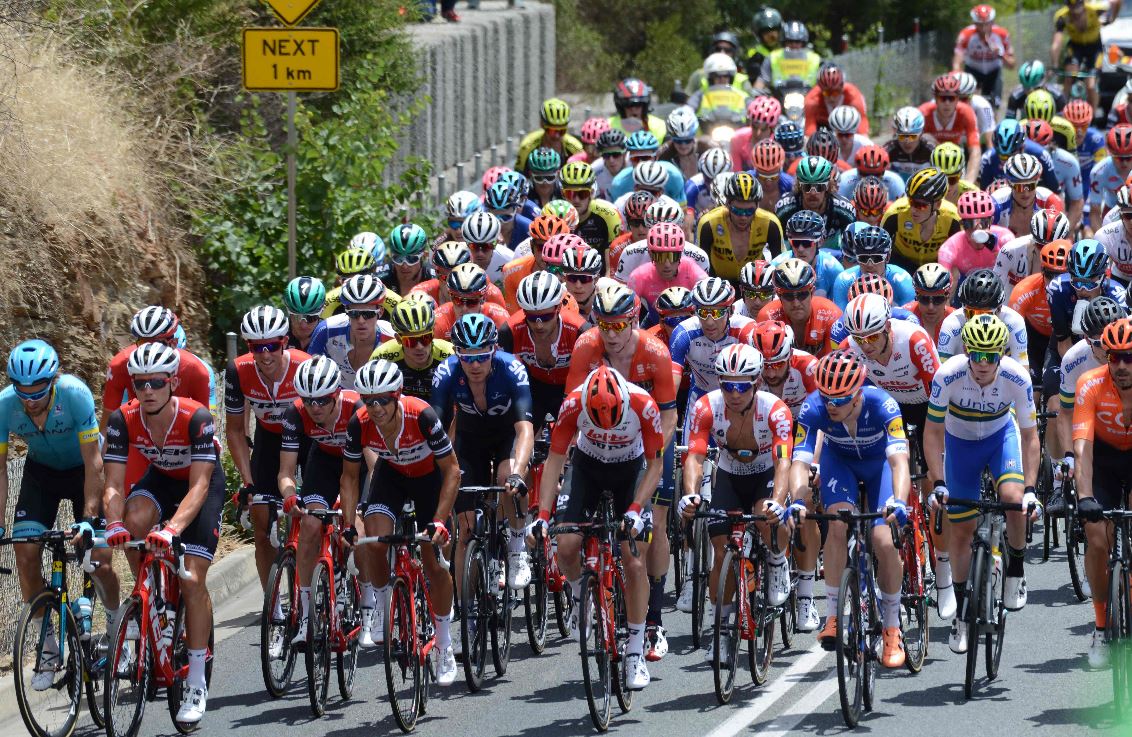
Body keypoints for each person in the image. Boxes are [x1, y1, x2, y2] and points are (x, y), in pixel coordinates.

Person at [103, 342, 225, 724]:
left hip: (198, 486)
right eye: (139, 383)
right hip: (161, 480)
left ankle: (197, 681)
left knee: (192, 579)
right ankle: (150, 599)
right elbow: (113, 486)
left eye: (156, 382)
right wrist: (113, 524)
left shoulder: (196, 417)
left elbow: (200, 486)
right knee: (134, 520)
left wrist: (172, 529)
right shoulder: (123, 419)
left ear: (172, 382)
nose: (147, 390)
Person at [1, 340, 121, 690]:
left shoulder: (74, 394)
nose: (30, 400)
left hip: (85, 471)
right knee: (24, 552)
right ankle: (48, 646)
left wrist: (88, 517)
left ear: (52, 381)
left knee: (98, 558)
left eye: (38, 391)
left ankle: (116, 628)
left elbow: (94, 462)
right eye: (22, 391)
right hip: (42, 475)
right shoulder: (5, 405)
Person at [534, 366, 663, 690]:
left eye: (613, 420)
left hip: (630, 471)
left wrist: (635, 510)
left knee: (633, 560)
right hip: (587, 469)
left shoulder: (643, 404)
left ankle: (634, 649)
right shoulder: (573, 405)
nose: (606, 426)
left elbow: (656, 464)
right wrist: (544, 515)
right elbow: (554, 461)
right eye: (598, 421)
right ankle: (581, 596)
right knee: (564, 545)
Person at [925, 315, 1041, 653]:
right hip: (959, 445)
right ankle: (962, 613)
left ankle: (1016, 569)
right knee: (960, 530)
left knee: (1013, 499)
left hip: (998, 438)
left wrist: (1032, 490)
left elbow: (1030, 437)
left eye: (991, 355)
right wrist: (939, 482)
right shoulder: (948, 375)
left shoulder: (1016, 377)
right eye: (976, 354)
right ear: (966, 350)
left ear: (1003, 353)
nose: (983, 363)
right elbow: (932, 434)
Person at [787, 350, 911, 666]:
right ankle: (832, 616)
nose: (831, 405)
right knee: (837, 524)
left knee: (884, 540)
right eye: (827, 397)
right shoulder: (813, 407)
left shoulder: (883, 404)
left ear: (857, 395)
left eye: (840, 400)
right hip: (840, 463)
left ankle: (892, 628)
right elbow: (799, 462)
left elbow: (899, 462)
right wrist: (798, 501)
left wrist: (898, 501)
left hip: (879, 465)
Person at [344, 359, 461, 684]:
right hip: (392, 477)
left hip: (428, 481)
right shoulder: (360, 423)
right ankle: (383, 607)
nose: (375, 407)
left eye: (382, 399)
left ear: (396, 395)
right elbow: (350, 478)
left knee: (432, 562)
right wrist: (349, 525)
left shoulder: (421, 415)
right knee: (375, 542)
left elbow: (452, 470)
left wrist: (438, 521)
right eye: (368, 400)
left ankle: (444, 644)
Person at [677, 344, 794, 662]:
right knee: (721, 550)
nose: (733, 392)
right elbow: (695, 456)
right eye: (726, 384)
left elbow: (784, 462)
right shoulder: (706, 407)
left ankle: (777, 559)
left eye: (741, 385)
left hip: (765, 472)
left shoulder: (775, 410)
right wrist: (690, 494)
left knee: (768, 517)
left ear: (756, 382)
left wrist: (777, 500)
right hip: (729, 474)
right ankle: (725, 624)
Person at [431, 314, 534, 592]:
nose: (474, 364)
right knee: (465, 530)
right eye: (466, 356)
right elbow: (436, 428)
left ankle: (516, 545)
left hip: (507, 435)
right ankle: (467, 613)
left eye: (482, 356)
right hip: (469, 439)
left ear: (494, 350)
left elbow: (525, 429)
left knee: (506, 475)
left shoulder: (512, 368)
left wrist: (517, 473)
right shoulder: (446, 372)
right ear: (457, 353)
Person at [276, 357, 367, 648]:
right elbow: (286, 472)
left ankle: (368, 605)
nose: (315, 408)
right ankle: (305, 613)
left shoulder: (357, 410)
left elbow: (374, 466)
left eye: (323, 401)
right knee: (311, 524)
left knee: (359, 531)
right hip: (325, 462)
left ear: (337, 394)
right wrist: (290, 495)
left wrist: (358, 505)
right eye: (309, 401)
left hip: (362, 464)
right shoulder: (295, 413)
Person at [226, 305, 312, 592]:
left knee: (315, 514)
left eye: (272, 346)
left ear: (284, 342)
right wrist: (248, 482)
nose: (265, 354)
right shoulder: (238, 371)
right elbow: (236, 430)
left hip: (308, 439)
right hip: (269, 440)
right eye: (257, 347)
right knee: (261, 524)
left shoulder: (304, 364)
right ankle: (272, 603)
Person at [1073, 315, 1132, 666]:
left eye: (1130, 357)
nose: (1122, 365)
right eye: (1115, 357)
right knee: (1097, 538)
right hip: (1105, 460)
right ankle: (1099, 625)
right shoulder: (1090, 384)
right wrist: (1084, 497)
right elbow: (1083, 448)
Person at [499, 270, 586, 436]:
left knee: (576, 436)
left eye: (546, 317)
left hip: (570, 387)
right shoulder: (509, 331)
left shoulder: (579, 330)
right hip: (533, 387)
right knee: (516, 433)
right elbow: (501, 377)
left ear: (559, 308)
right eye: (531, 317)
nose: (539, 325)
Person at [308, 274, 395, 389]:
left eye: (368, 314)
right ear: (347, 312)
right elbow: (310, 373)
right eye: (354, 313)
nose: (361, 321)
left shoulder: (392, 337)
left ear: (380, 312)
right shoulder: (326, 330)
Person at [697, 172, 785, 279]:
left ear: (757, 206)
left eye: (749, 211)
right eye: (737, 211)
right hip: (718, 281)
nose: (743, 217)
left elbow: (780, 264)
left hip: (755, 282)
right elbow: (700, 266)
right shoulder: (709, 224)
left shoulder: (770, 223)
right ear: (727, 205)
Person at [937, 269, 1030, 368]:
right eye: (972, 313)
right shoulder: (952, 323)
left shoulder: (1014, 322)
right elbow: (941, 372)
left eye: (984, 314)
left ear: (999, 309)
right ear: (963, 309)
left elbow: (1022, 368)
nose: (978, 320)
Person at [371, 297, 454, 400]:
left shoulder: (450, 354)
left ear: (433, 335)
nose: (419, 347)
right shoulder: (382, 357)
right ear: (398, 339)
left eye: (425, 338)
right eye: (411, 341)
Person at [757, 258, 842, 356]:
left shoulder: (832, 315)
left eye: (802, 295)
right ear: (779, 296)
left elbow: (834, 363)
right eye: (788, 296)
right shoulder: (767, 317)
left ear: (812, 292)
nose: (796, 303)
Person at [938, 190, 1016, 294]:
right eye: (969, 223)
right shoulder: (950, 248)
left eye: (983, 223)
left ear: (991, 221)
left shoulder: (1005, 238)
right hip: (968, 288)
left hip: (1001, 287)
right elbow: (944, 291)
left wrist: (998, 251)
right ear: (962, 224)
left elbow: (1017, 276)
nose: (977, 228)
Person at [1051, 0, 1119, 110]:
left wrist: (1112, 19)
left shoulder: (1095, 9)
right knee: (1069, 77)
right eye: (1072, 12)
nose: (1076, 15)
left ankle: (1092, 117)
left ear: (1083, 5)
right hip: (1076, 46)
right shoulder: (1062, 16)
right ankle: (1061, 110)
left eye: (1078, 12)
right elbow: (1056, 43)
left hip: (1095, 47)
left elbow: (1116, 2)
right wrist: (1054, 64)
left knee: (1091, 86)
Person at [829, 225, 915, 309]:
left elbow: (909, 320)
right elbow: (841, 320)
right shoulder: (844, 281)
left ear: (888, 257)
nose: (869, 265)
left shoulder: (903, 281)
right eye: (863, 258)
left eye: (877, 258)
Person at [627, 223, 708, 310]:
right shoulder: (639, 276)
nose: (667, 265)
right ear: (651, 255)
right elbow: (627, 311)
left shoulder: (690, 268)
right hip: (656, 321)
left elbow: (708, 296)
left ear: (680, 255)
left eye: (672, 257)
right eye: (661, 257)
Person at [501, 215, 573, 311]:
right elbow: (512, 317)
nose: (548, 254)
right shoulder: (511, 271)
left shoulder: (575, 274)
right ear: (531, 246)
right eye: (541, 247)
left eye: (555, 248)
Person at [920, 74, 982, 181]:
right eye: (943, 98)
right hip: (928, 159)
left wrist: (969, 181)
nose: (947, 103)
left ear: (958, 99)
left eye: (951, 98)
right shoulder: (923, 113)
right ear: (935, 98)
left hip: (955, 158)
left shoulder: (966, 113)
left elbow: (975, 151)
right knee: (926, 138)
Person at [412, 240, 507, 309]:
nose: (451, 286)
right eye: (445, 277)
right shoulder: (421, 292)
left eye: (458, 278)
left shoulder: (491, 294)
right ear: (436, 273)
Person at [771, 209, 845, 297]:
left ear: (820, 241)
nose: (800, 249)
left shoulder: (834, 270)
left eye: (806, 243)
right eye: (795, 243)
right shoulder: (776, 266)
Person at [953, 3, 1016, 105]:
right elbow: (957, 62)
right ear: (974, 23)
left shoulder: (1002, 35)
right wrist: (957, 78)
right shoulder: (966, 35)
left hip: (993, 73)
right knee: (969, 103)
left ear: (993, 22)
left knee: (993, 106)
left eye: (987, 24)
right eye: (980, 24)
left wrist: (1000, 54)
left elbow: (1012, 65)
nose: (983, 28)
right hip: (973, 71)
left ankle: (992, 117)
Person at [992, 153, 1066, 238]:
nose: (1025, 193)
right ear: (1010, 184)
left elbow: (1058, 240)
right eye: (1019, 187)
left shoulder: (1050, 201)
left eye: (1030, 186)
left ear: (1037, 183)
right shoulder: (996, 203)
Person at [978, 118, 1062, 192]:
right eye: (1001, 156)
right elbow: (983, 193)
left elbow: (1055, 191)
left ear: (1022, 148)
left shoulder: (1041, 155)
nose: (1005, 161)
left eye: (1009, 156)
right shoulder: (987, 158)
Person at [993, 208, 1072, 286]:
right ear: (1033, 238)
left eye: (1052, 249)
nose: (1044, 251)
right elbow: (995, 287)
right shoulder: (1010, 251)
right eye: (1040, 245)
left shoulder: (1071, 257)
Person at [560, 161, 623, 257]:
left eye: (582, 194)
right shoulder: (554, 214)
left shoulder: (609, 214)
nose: (576, 200)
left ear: (592, 193)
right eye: (570, 194)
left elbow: (614, 258)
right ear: (563, 194)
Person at [433, 263, 512, 340]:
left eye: (472, 302)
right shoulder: (439, 321)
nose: (464, 308)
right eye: (458, 300)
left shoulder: (498, 317)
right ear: (450, 297)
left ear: (482, 299)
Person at [756, 20, 822, 98]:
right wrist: (755, 92)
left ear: (803, 43)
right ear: (784, 42)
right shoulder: (772, 57)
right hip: (778, 101)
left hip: (809, 101)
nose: (793, 45)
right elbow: (762, 80)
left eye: (797, 42)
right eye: (790, 41)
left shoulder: (815, 59)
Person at [515, 98, 583, 172]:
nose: (557, 136)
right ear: (541, 124)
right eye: (552, 131)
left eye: (562, 131)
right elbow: (519, 174)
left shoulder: (576, 147)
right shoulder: (527, 146)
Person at [803, 64, 869, 137]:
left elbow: (862, 123)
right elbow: (810, 128)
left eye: (836, 92)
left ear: (842, 87)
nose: (831, 98)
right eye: (827, 93)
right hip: (823, 127)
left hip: (847, 126)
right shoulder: (812, 99)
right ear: (820, 89)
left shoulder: (853, 95)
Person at [1089, 125, 1132, 234]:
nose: (1124, 163)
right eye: (1119, 158)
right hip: (1111, 212)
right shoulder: (1098, 172)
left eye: (1129, 158)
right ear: (1110, 153)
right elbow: (1095, 212)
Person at [461, 211, 515, 290]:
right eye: (474, 246)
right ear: (467, 244)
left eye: (486, 246)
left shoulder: (509, 259)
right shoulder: (457, 256)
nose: (480, 253)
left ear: (495, 243)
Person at [904, 263, 956, 343]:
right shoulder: (904, 315)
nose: (930, 307)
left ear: (947, 296)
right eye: (924, 299)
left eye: (938, 299)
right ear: (916, 296)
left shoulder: (957, 320)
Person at [686, 54, 749, 119]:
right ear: (711, 79)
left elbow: (751, 104)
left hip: (737, 127)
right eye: (717, 76)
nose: (722, 79)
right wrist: (686, 110)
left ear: (731, 78)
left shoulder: (740, 94)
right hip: (706, 126)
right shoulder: (703, 93)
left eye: (725, 76)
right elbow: (691, 104)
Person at [658, 107, 714, 181]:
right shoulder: (664, 152)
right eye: (678, 141)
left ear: (694, 137)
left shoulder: (708, 148)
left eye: (688, 140)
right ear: (672, 139)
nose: (683, 145)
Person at [885, 107, 937, 182]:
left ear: (921, 133)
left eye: (913, 136)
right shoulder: (889, 150)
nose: (907, 141)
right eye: (902, 136)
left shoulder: (931, 150)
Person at [1094, 186, 1132, 287]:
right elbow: (1100, 274)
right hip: (1119, 279)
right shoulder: (1104, 233)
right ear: (1120, 215)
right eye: (1128, 215)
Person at [838, 145, 905, 201]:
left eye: (876, 175)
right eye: (865, 174)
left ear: (884, 172)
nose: (871, 179)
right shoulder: (845, 181)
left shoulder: (895, 182)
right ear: (858, 171)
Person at [608, 78, 667, 142]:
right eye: (628, 105)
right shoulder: (608, 126)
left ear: (645, 106)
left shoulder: (659, 126)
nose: (633, 109)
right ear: (621, 107)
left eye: (638, 105)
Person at [562, 244, 604, 328]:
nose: (578, 286)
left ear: (596, 279)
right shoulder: (557, 298)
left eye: (585, 279)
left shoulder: (608, 291)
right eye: (572, 278)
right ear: (564, 278)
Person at [384, 223, 432, 296]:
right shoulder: (381, 276)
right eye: (398, 258)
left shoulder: (434, 277)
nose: (404, 266)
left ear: (424, 256)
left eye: (412, 259)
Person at [685, 147, 732, 220]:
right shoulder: (693, 185)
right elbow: (689, 215)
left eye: (718, 181)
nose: (711, 185)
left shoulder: (736, 184)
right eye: (708, 179)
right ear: (702, 173)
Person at [284, 276, 326, 351]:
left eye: (311, 318)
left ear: (322, 310)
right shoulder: (278, 335)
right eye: (297, 317)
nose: (303, 325)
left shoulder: (330, 335)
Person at [745, 6, 784, 77]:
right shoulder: (756, 58)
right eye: (766, 32)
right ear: (759, 36)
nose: (771, 35)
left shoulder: (788, 50)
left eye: (773, 30)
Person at [593, 129, 629, 200]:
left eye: (616, 154)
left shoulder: (633, 164)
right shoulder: (594, 170)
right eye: (606, 155)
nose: (611, 160)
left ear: (625, 154)